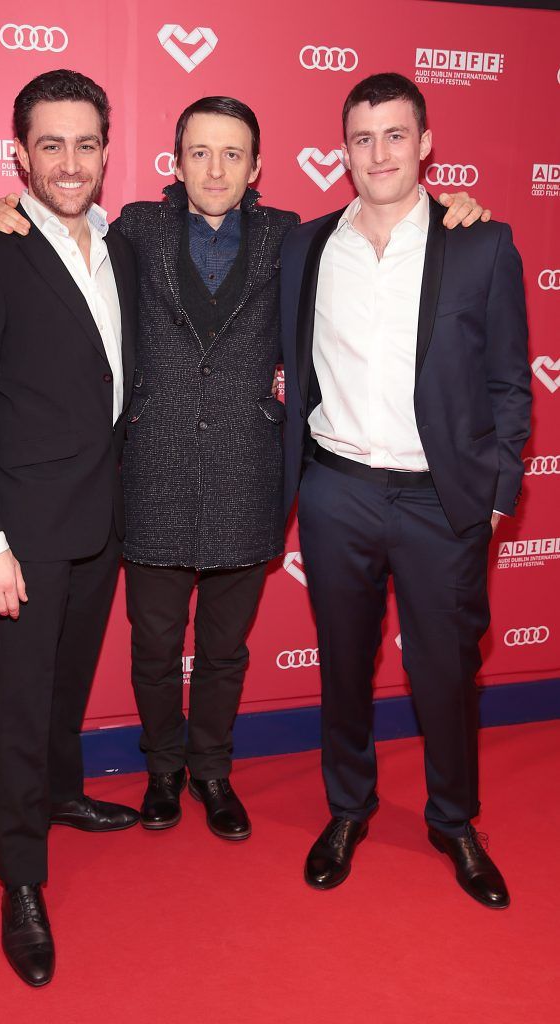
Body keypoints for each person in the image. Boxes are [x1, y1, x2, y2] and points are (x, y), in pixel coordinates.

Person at [0, 96, 488, 844]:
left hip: (251, 472)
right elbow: (56, 242)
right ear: (175, 163)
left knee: (225, 647)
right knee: (154, 645)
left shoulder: (293, 239)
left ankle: (212, 770)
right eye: (200, 153)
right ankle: (163, 768)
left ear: (257, 167)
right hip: (151, 472)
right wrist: (0, 212)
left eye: (233, 154)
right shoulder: (134, 233)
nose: (215, 169)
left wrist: (454, 208)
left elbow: (401, 223)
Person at [280, 73, 531, 908]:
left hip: (439, 501)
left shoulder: (481, 243)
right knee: (344, 668)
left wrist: (495, 490)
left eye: (396, 135)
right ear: (342, 149)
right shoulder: (306, 247)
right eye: (362, 137)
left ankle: (454, 819)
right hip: (337, 491)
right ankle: (348, 808)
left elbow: (508, 383)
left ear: (426, 143)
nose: (378, 152)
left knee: (447, 671)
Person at [0, 70, 139, 987]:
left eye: (85, 144)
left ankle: (59, 795)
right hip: (20, 530)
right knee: (16, 707)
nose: (69, 162)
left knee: (65, 685)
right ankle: (20, 875)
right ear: (20, 153)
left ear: (106, 148)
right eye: (49, 145)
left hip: (103, 517)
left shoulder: (122, 244)